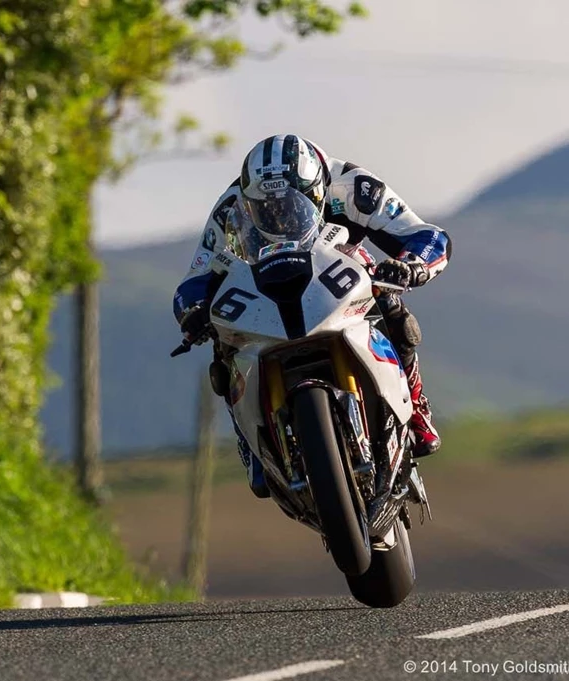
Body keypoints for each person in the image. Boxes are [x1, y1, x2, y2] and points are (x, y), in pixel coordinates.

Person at [172, 134, 451, 496]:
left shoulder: (356, 187)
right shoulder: (230, 208)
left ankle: (416, 408)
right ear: (249, 199)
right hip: (265, 286)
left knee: (391, 302)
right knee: (222, 337)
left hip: (340, 270)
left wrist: (410, 265)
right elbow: (195, 279)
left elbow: (426, 235)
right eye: (266, 207)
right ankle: (252, 444)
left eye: (292, 203)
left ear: (317, 190)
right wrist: (193, 313)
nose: (280, 214)